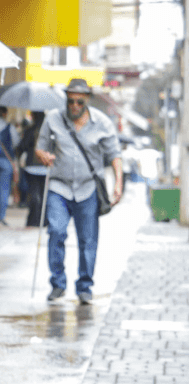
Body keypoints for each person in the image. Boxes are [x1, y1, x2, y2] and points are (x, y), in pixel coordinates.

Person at [35, 78, 123, 305]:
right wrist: (43, 155)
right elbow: (40, 147)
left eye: (79, 102)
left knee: (88, 240)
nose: (74, 106)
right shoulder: (53, 119)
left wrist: (118, 183)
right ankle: (58, 283)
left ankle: (85, 286)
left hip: (88, 188)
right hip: (59, 186)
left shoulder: (102, 123)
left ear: (87, 100)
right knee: (56, 232)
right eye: (70, 101)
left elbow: (115, 155)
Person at [17, 111, 48, 227]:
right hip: (46, 166)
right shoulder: (50, 131)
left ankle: (33, 219)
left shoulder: (30, 130)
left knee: (34, 193)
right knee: (44, 194)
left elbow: (22, 146)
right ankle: (43, 219)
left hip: (32, 167)